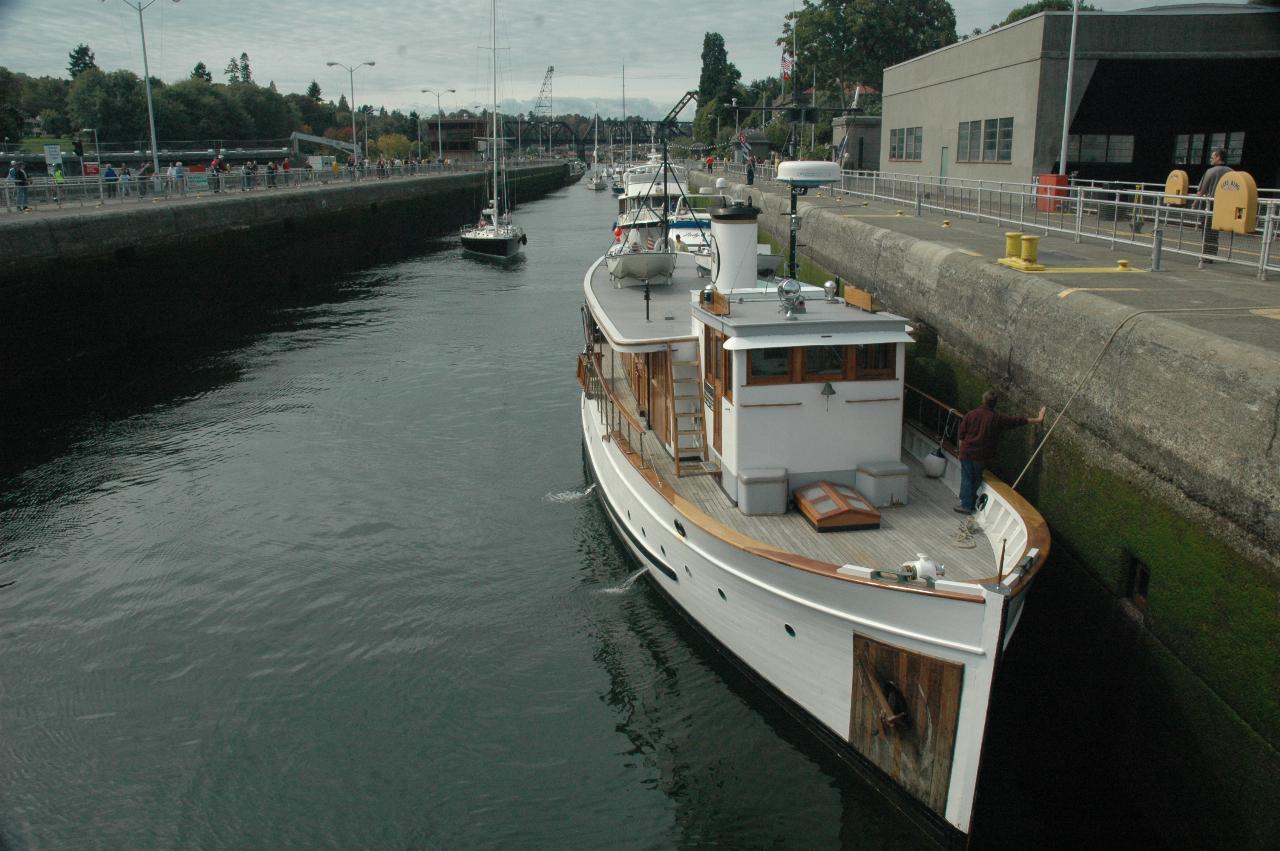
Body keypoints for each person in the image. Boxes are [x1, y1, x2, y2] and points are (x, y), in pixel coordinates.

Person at [954, 390, 1045, 514]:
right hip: (982, 455)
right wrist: (1038, 419)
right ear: (995, 403)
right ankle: (970, 500)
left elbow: (961, 434)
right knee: (976, 477)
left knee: (967, 477)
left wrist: (960, 451)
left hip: (967, 452)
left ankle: (966, 504)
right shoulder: (997, 418)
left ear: (983, 400)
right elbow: (1017, 421)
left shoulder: (971, 414)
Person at [1196, 147, 1231, 262]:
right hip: (1223, 206)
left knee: (1207, 230)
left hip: (1209, 205)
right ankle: (1212, 254)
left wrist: (1195, 203)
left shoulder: (1210, 171)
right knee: (1215, 231)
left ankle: (1206, 255)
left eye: (1213, 156)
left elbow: (1201, 190)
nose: (1211, 158)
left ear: (1218, 157)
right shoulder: (1231, 172)